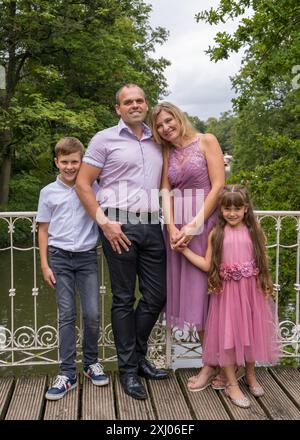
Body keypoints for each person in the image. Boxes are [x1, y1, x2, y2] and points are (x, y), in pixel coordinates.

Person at [75, 84, 168, 401]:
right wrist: (104, 222)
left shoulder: (158, 139)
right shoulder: (104, 139)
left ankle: (137, 356)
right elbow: (83, 183)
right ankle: (129, 371)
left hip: (153, 225)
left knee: (157, 296)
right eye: (128, 102)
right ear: (118, 108)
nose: (135, 105)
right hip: (118, 225)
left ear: (146, 104)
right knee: (124, 298)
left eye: (140, 100)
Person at [180, 185, 280, 408]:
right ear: (221, 209)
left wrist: (265, 283)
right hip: (226, 294)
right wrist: (184, 250)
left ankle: (251, 375)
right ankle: (231, 384)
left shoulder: (254, 230)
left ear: (246, 209)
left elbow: (262, 261)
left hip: (250, 292)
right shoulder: (217, 233)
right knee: (228, 338)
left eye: (237, 208)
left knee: (251, 333)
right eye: (227, 208)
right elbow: (207, 264)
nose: (232, 213)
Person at [149, 102, 225, 390]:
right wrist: (170, 226)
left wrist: (194, 225)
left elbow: (218, 186)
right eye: (159, 125)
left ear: (178, 118)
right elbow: (166, 189)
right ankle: (212, 362)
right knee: (194, 296)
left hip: (204, 225)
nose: (165, 127)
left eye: (169, 121)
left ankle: (211, 365)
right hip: (177, 230)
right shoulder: (168, 151)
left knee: (209, 296)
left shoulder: (206, 140)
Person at [37, 137, 109, 401]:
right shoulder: (48, 192)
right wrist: (44, 264)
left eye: (74, 162)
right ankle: (67, 373)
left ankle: (91, 363)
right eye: (64, 162)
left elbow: (106, 215)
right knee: (66, 315)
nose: (69, 167)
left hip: (87, 258)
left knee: (92, 313)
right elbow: (43, 230)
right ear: (57, 162)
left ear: (82, 162)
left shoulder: (93, 188)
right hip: (59, 259)